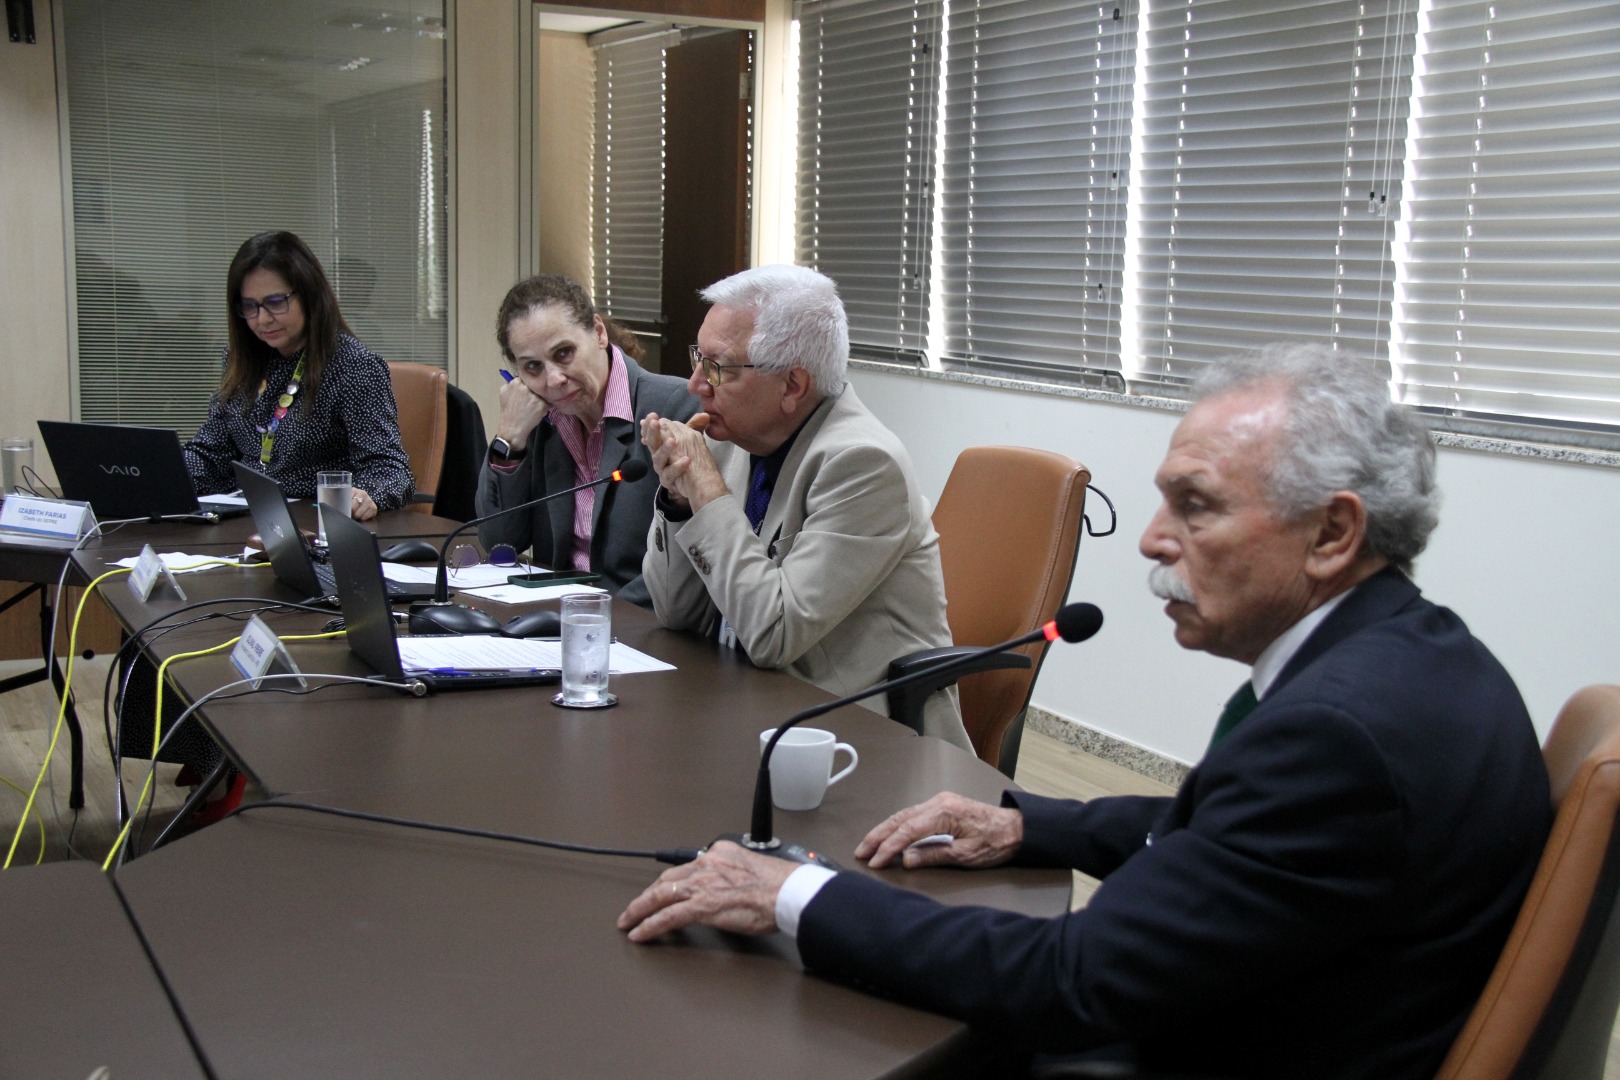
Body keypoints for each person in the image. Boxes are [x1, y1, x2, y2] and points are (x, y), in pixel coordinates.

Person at [618, 344, 1553, 1080]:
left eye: (1196, 507)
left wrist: (792, 892)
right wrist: (1031, 824)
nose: (1151, 539)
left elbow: (1069, 981)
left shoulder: (1335, 738)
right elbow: (1244, 833)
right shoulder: (1414, 659)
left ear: (1334, 533)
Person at [638, 265, 968, 751]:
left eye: (718, 366)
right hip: (748, 702)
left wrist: (707, 492)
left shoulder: (864, 464)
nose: (694, 384)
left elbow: (773, 635)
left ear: (792, 385)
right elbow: (674, 613)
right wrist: (680, 502)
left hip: (855, 737)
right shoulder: (730, 441)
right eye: (697, 358)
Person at [476, 275, 699, 608]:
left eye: (564, 353)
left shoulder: (676, 407)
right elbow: (499, 542)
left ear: (598, 332)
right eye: (533, 367)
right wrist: (509, 438)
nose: (553, 379)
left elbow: (689, 563)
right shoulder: (538, 420)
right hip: (556, 615)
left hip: (641, 620)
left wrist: (594, 615)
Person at [183, 230, 413, 519]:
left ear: (308, 295)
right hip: (246, 518)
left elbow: (390, 470)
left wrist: (365, 496)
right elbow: (210, 454)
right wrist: (158, 473)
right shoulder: (241, 359)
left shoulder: (354, 366)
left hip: (313, 523)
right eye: (250, 307)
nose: (262, 319)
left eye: (276, 302)